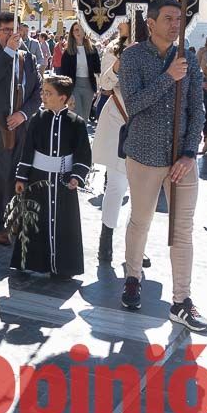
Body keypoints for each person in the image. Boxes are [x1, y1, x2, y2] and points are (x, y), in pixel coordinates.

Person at [118, 0, 207, 333]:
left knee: (182, 229)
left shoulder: (188, 58)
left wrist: (189, 153)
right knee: (141, 220)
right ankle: (132, 277)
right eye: (169, 18)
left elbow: (197, 108)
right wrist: (168, 77)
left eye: (179, 19)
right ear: (152, 23)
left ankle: (181, 301)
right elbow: (134, 104)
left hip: (181, 160)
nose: (176, 24)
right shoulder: (132, 57)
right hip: (144, 154)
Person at [11, 75, 91, 278]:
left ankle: (63, 267)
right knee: (35, 222)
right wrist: (21, 177)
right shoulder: (36, 120)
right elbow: (27, 150)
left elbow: (83, 154)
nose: (43, 97)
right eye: (43, 92)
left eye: (48, 93)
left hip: (64, 183)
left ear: (63, 98)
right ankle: (33, 263)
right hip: (38, 181)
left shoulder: (77, 123)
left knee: (64, 224)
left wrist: (76, 176)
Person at [0, 12, 42, 245]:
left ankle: (17, 218)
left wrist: (23, 114)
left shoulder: (29, 58)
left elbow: (37, 92)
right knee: (1, 176)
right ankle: (1, 224)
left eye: (14, 30)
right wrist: (8, 52)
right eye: (6, 30)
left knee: (20, 173)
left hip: (22, 125)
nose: (10, 34)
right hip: (0, 126)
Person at [89, 19, 133, 264]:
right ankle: (106, 239)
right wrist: (120, 62)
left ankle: (136, 243)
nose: (120, 24)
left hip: (148, 125)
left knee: (142, 192)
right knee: (117, 185)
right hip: (119, 121)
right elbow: (105, 84)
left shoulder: (157, 49)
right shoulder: (114, 49)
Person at [58, 21, 101, 121]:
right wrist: (66, 91)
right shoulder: (68, 52)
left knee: (85, 117)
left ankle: (82, 132)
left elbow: (97, 69)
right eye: (76, 30)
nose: (78, 32)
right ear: (72, 33)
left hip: (89, 86)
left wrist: (99, 85)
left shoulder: (92, 49)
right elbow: (63, 73)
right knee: (77, 115)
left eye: (80, 29)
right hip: (74, 86)